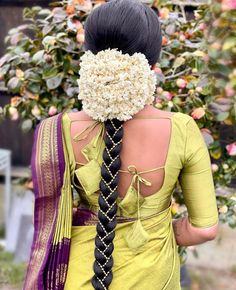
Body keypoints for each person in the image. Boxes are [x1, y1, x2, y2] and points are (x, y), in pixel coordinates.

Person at [23, 0, 219, 289]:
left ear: (90, 55)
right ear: (153, 62)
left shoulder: (57, 129)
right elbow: (204, 229)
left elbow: (50, 222)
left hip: (75, 275)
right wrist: (160, 227)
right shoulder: (182, 129)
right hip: (153, 276)